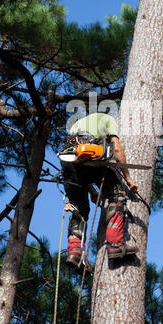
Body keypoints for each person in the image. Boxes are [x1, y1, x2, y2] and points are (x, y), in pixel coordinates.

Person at [60, 112, 139, 270]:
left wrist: (91, 191)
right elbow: (116, 149)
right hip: (89, 158)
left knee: (78, 209)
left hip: (68, 161)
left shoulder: (78, 125)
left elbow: (78, 162)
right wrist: (128, 178)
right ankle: (115, 244)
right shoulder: (109, 120)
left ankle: (75, 253)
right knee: (117, 193)